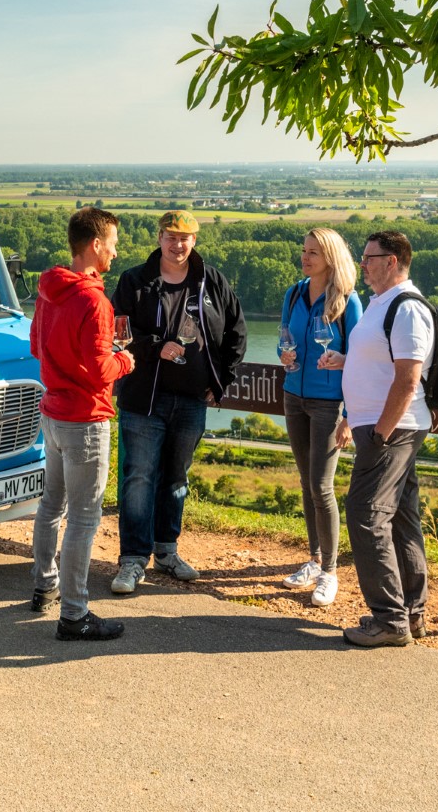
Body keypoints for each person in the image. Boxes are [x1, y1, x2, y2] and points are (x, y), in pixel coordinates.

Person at [109, 209, 246, 594]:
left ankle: (166, 551)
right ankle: (133, 560)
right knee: (138, 478)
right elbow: (118, 333)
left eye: (184, 237)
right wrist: (156, 347)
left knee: (176, 479)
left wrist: (221, 382)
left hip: (191, 401)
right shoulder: (134, 281)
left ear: (194, 241)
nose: (177, 243)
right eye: (170, 236)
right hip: (143, 401)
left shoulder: (211, 282)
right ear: (159, 238)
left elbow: (236, 331)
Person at [30, 207, 135, 641]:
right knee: (84, 519)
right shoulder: (94, 300)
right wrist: (125, 360)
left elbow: (37, 345)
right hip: (85, 420)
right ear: (95, 244)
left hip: (52, 413)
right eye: (111, 241)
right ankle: (74, 614)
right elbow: (98, 370)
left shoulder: (49, 290)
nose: (115, 249)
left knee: (51, 505)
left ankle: (44, 586)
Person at [339, 230, 437, 648]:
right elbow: (383, 361)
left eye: (369, 257)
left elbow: (409, 377)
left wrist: (380, 431)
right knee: (400, 516)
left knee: (364, 512)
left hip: (391, 430)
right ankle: (410, 614)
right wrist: (345, 362)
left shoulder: (407, 308)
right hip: (383, 428)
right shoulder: (382, 304)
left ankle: (389, 619)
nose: (362, 263)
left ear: (392, 261)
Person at [276, 227, 361, 606]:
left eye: (313, 252)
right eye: (304, 250)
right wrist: (284, 353)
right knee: (306, 481)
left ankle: (330, 571)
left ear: (330, 258)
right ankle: (313, 559)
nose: (305, 257)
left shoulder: (347, 301)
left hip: (329, 405)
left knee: (322, 487)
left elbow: (359, 363)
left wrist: (349, 416)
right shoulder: (294, 293)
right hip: (293, 397)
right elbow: (284, 338)